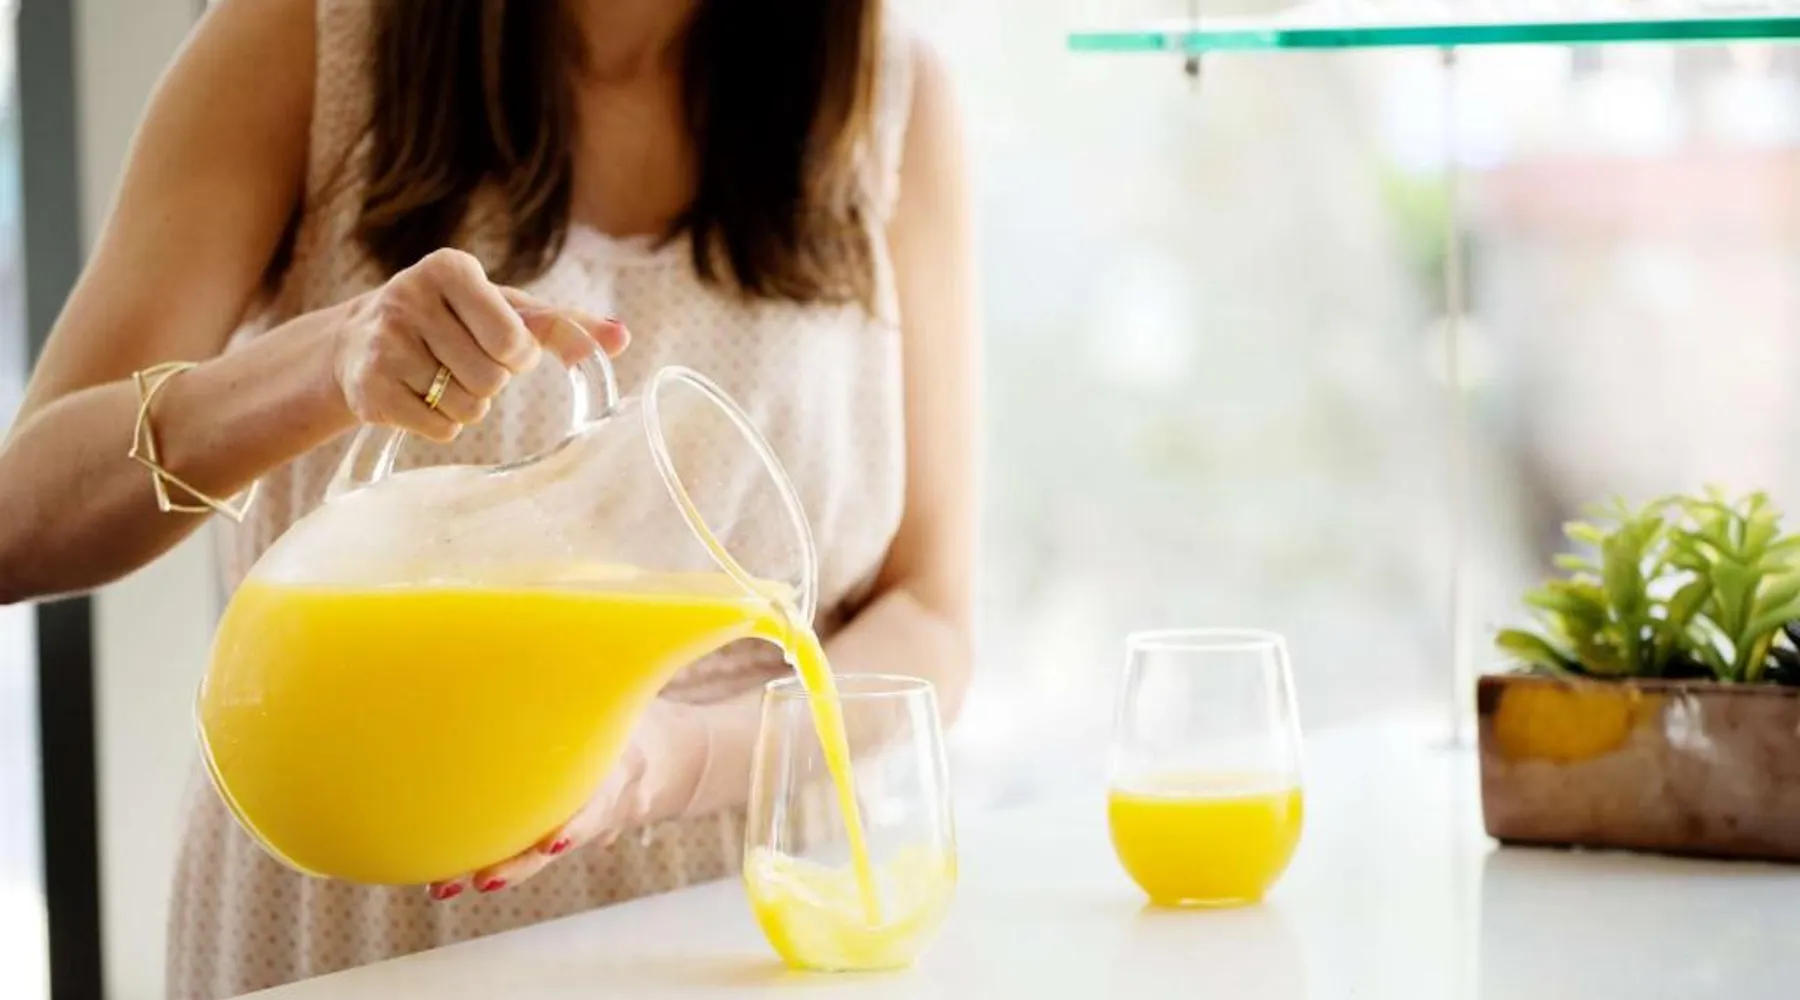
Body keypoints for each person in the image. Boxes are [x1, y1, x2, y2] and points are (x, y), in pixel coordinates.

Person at [0, 0, 976, 995]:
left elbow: (931, 615)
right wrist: (328, 364)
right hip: (365, 888)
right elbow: (20, 525)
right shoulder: (306, 38)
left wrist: (673, 761)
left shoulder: (887, 96)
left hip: (745, 904)